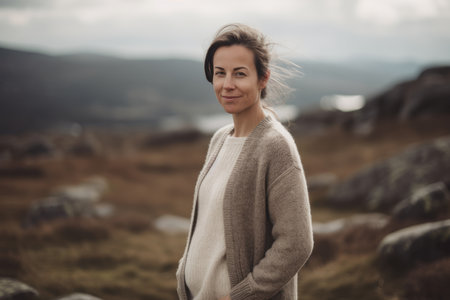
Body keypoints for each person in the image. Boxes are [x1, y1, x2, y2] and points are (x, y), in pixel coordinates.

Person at [176, 23, 313, 300]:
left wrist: (243, 294)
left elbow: (297, 243)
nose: (227, 85)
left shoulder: (275, 146)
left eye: (240, 74)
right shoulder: (220, 139)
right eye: (220, 73)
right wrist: (184, 272)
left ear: (262, 79)